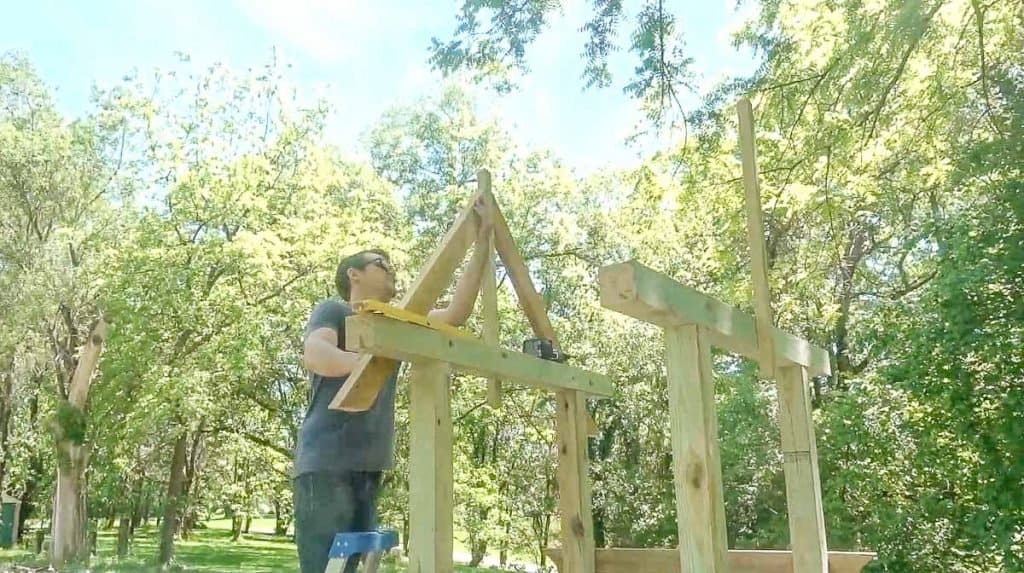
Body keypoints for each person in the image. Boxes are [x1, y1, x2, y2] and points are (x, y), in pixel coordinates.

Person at [292, 197, 494, 573]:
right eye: (381, 265)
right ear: (354, 275)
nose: (391, 272)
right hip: (326, 463)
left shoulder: (396, 325)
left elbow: (456, 313)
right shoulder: (336, 311)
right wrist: (369, 364)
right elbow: (316, 353)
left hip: (368, 465)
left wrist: (482, 246)